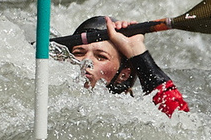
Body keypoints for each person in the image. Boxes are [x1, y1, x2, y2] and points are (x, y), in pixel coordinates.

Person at [52, 16, 190, 116]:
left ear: (123, 75)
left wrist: (136, 50)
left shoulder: (131, 115)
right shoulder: (51, 96)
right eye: (79, 53)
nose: (86, 60)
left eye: (101, 57)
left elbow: (179, 120)